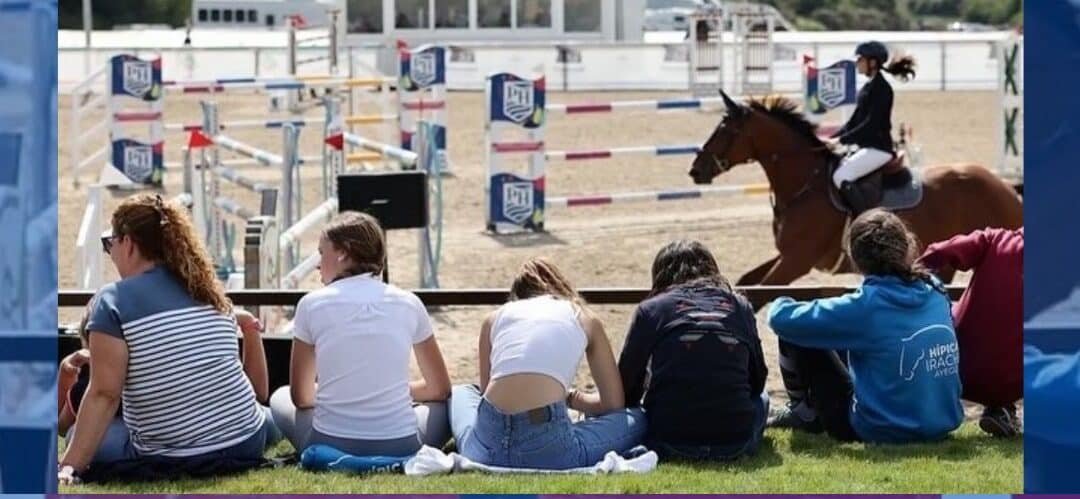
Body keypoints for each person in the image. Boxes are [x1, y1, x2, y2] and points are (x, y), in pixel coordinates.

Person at [58, 194, 279, 485]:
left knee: (78, 435)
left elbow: (104, 394)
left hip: (172, 456)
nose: (110, 252)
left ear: (129, 243)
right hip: (245, 440)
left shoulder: (112, 300)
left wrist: (69, 466)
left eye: (109, 243)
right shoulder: (208, 290)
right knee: (265, 415)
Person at [767, 209, 963, 443]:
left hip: (879, 428)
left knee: (798, 333)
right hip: (943, 422)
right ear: (906, 245)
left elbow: (781, 319)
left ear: (855, 257)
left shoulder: (865, 306)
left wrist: (782, 300)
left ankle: (803, 413)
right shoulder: (934, 287)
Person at [270, 211, 452, 457]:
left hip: (330, 443)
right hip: (402, 444)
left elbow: (301, 397)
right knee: (444, 405)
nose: (317, 263)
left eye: (322, 253)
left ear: (343, 253)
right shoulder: (409, 302)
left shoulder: (311, 304)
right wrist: (385, 393)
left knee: (281, 395)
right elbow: (440, 389)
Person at [449, 257, 645, 469]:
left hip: (485, 449)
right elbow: (613, 404)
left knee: (463, 391)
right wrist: (571, 397)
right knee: (637, 418)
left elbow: (486, 393)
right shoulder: (583, 316)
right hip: (550, 449)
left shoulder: (493, 318)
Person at [619, 240, 767, 460]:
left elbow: (627, 385)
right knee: (762, 399)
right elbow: (757, 380)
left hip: (668, 439)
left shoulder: (652, 309)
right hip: (735, 441)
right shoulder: (740, 306)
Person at [59, 294, 273, 438]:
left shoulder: (86, 391)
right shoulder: (167, 369)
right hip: (229, 435)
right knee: (270, 415)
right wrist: (249, 327)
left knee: (76, 435)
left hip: (158, 448)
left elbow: (62, 426)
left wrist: (67, 371)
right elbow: (259, 393)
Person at [918, 228, 1023, 437]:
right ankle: (1001, 405)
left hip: (955, 365)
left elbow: (937, 252)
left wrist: (907, 279)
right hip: (1018, 379)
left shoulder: (995, 239)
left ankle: (999, 408)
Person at [827, 41, 917, 214]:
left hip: (879, 150)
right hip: (867, 148)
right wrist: (832, 138)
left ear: (873, 63)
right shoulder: (867, 88)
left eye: (860, 59)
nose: (857, 63)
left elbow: (870, 125)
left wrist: (841, 140)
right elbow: (853, 122)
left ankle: (863, 221)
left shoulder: (882, 89)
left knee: (840, 176)